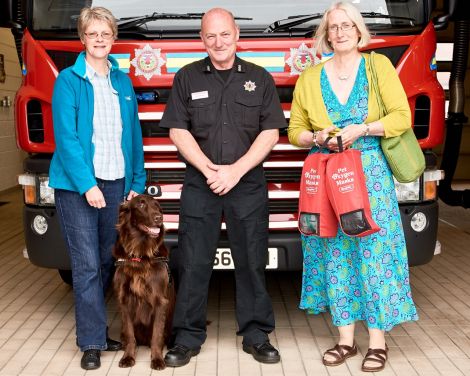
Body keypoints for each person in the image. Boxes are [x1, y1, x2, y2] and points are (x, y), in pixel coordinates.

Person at [288, 1, 418, 372]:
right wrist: (315, 136)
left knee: (374, 250)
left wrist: (363, 128)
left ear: (360, 31)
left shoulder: (378, 67)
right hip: (328, 172)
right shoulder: (310, 78)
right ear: (325, 35)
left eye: (347, 26)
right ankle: (345, 339)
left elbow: (401, 116)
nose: (340, 32)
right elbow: (294, 130)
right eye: (334, 27)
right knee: (334, 251)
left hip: (370, 172)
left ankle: (377, 342)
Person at [159, 7, 286, 367]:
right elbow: (177, 131)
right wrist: (210, 169)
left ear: (237, 36)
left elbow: (270, 132)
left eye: (224, 34)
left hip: (247, 185)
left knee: (252, 261)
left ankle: (257, 334)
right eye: (210, 36)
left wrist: (235, 171)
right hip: (201, 184)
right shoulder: (186, 77)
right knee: (194, 262)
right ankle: (186, 338)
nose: (218, 42)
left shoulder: (260, 79)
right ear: (202, 39)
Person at [49, 6, 146, 371]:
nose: (100, 40)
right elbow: (68, 140)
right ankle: (91, 340)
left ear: (113, 39)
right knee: (87, 264)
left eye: (106, 34)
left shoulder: (122, 82)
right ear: (83, 39)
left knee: (107, 259)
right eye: (93, 34)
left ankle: (99, 332)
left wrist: (136, 182)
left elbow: (132, 135)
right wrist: (88, 185)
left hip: (117, 183)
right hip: (78, 189)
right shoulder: (69, 81)